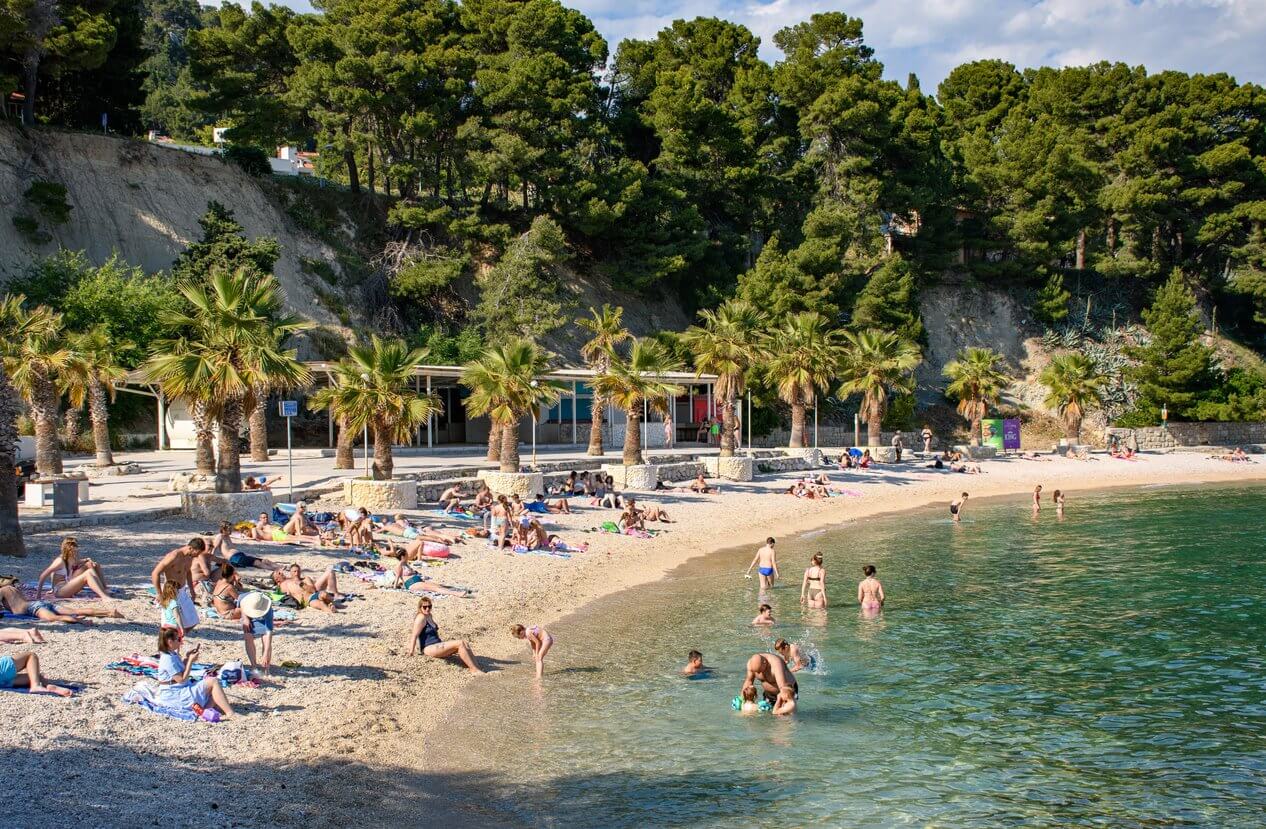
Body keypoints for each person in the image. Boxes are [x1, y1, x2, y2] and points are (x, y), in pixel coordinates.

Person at [154, 628, 235, 719]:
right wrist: (190, 661)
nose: (181, 641)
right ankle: (230, 713)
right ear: (170, 642)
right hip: (175, 694)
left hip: (179, 689)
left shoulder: (171, 654)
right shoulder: (167, 659)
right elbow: (181, 679)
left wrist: (187, 658)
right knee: (213, 681)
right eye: (178, 639)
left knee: (212, 691)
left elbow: (181, 670)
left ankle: (205, 711)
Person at [409, 598, 484, 674]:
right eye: (425, 607)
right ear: (420, 607)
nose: (427, 609)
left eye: (429, 606)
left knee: (464, 643)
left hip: (437, 644)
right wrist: (411, 651)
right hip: (429, 648)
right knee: (460, 643)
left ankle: (477, 667)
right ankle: (473, 669)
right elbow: (414, 635)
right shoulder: (421, 618)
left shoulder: (429, 615)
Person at [150, 538, 205, 632]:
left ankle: (179, 635)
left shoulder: (189, 557)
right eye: (198, 552)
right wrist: (159, 594)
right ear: (191, 548)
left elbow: (188, 572)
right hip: (171, 591)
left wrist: (192, 590)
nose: (198, 555)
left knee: (193, 620)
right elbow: (155, 573)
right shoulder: (174, 556)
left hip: (182, 590)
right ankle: (174, 637)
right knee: (170, 621)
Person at [35, 537, 112, 600]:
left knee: (94, 565)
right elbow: (43, 575)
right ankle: (104, 596)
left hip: (68, 583)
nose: (75, 552)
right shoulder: (59, 561)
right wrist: (39, 595)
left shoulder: (72, 558)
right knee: (88, 573)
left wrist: (87, 560)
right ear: (68, 550)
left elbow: (77, 562)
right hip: (61, 590)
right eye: (73, 550)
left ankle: (104, 589)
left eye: (75, 550)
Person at [0, 584, 121, 624]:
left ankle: (80, 621)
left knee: (53, 618)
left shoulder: (2, 591)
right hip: (40, 603)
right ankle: (109, 612)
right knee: (76, 610)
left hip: (33, 608)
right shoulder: (11, 588)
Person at [0, 651, 73, 697]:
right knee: (30, 656)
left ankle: (48, 685)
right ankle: (35, 686)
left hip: (2, 683)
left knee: (35, 676)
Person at [239, 591, 274, 677]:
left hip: (263, 619)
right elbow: (242, 607)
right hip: (248, 617)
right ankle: (253, 665)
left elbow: (269, 631)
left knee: (266, 640)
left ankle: (266, 667)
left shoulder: (267, 608)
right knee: (248, 636)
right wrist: (245, 618)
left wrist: (265, 653)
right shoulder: (242, 597)